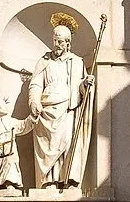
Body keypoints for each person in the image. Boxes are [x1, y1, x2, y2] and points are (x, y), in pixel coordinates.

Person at [26, 16, 87, 189]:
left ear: (68, 42)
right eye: (55, 41)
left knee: (68, 143)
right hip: (46, 111)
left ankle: (67, 181)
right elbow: (36, 83)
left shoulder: (77, 62)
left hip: (67, 109)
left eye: (60, 42)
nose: (57, 45)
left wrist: (85, 83)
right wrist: (34, 101)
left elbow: (79, 87)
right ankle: (49, 181)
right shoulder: (44, 61)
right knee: (49, 145)